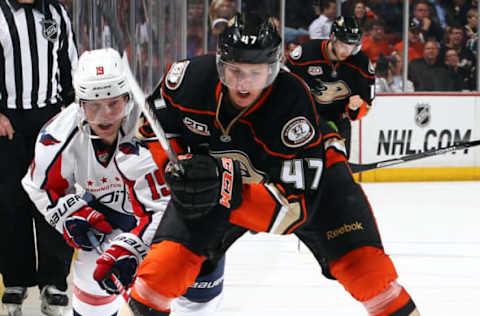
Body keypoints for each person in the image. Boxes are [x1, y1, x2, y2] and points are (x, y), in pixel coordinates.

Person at [124, 12, 420, 316]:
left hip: (312, 184)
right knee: (159, 273)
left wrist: (222, 189)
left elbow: (293, 212)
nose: (243, 84)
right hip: (216, 185)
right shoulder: (187, 79)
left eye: (256, 73)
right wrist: (177, 168)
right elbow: (153, 129)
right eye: (234, 71)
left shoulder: (294, 105)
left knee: (369, 274)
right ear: (219, 66)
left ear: (274, 70)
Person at [22, 48, 226, 316]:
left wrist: (132, 248)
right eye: (94, 106)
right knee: (91, 282)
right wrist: (68, 214)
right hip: (112, 216)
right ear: (79, 103)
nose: (105, 115)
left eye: (113, 103)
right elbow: (41, 186)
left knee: (198, 298)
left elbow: (168, 208)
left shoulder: (155, 133)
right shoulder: (57, 136)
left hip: (183, 221)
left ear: (128, 99)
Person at [0, 0, 77, 315]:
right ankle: (16, 280)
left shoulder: (57, 12)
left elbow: (68, 61)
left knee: (54, 199)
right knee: (9, 203)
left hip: (51, 120)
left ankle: (54, 281)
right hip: (8, 123)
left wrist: (70, 107)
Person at [285, 16, 375, 157]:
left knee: (339, 171)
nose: (347, 50)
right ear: (332, 37)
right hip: (306, 121)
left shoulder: (361, 63)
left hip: (339, 121)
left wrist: (357, 107)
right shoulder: (306, 53)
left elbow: (367, 104)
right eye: (344, 44)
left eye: (352, 46)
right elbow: (284, 85)